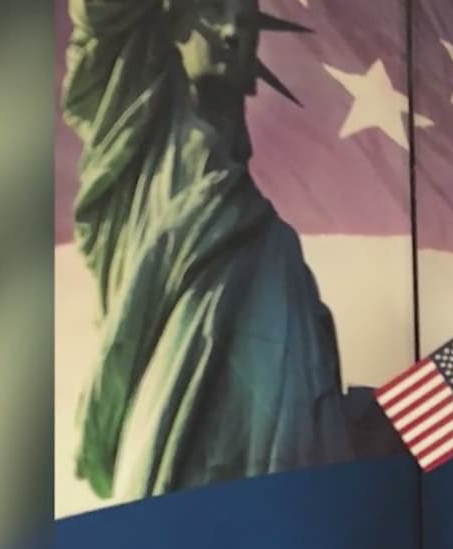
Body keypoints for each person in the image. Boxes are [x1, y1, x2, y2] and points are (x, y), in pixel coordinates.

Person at [61, 0, 356, 500]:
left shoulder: (276, 247)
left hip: (273, 499)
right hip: (169, 458)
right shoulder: (139, 144)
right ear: (169, 22)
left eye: (246, 22)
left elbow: (319, 416)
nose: (232, 32)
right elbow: (100, 17)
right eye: (214, 10)